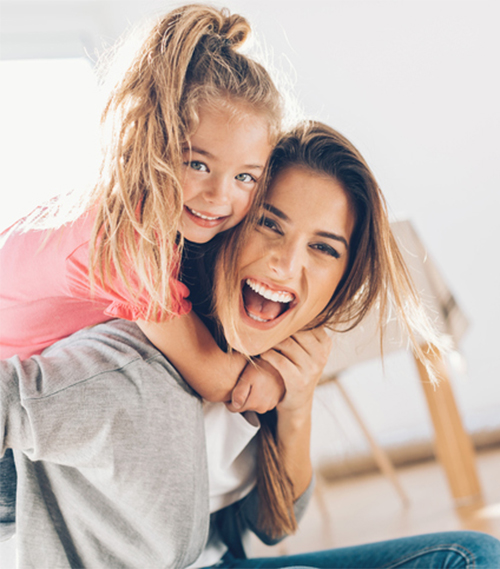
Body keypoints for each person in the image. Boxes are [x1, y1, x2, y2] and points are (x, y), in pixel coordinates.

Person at [2, 121, 500, 567]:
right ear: (228, 224)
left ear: (341, 280)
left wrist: (297, 406)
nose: (286, 262)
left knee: (468, 557)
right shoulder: (129, 364)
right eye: (269, 223)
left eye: (323, 248)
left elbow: (270, 523)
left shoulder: (266, 364)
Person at [0, 3, 290, 541]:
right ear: (150, 142)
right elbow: (211, 377)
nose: (218, 196)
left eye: (246, 177)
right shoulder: (127, 239)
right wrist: (280, 375)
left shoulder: (130, 213)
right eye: (196, 164)